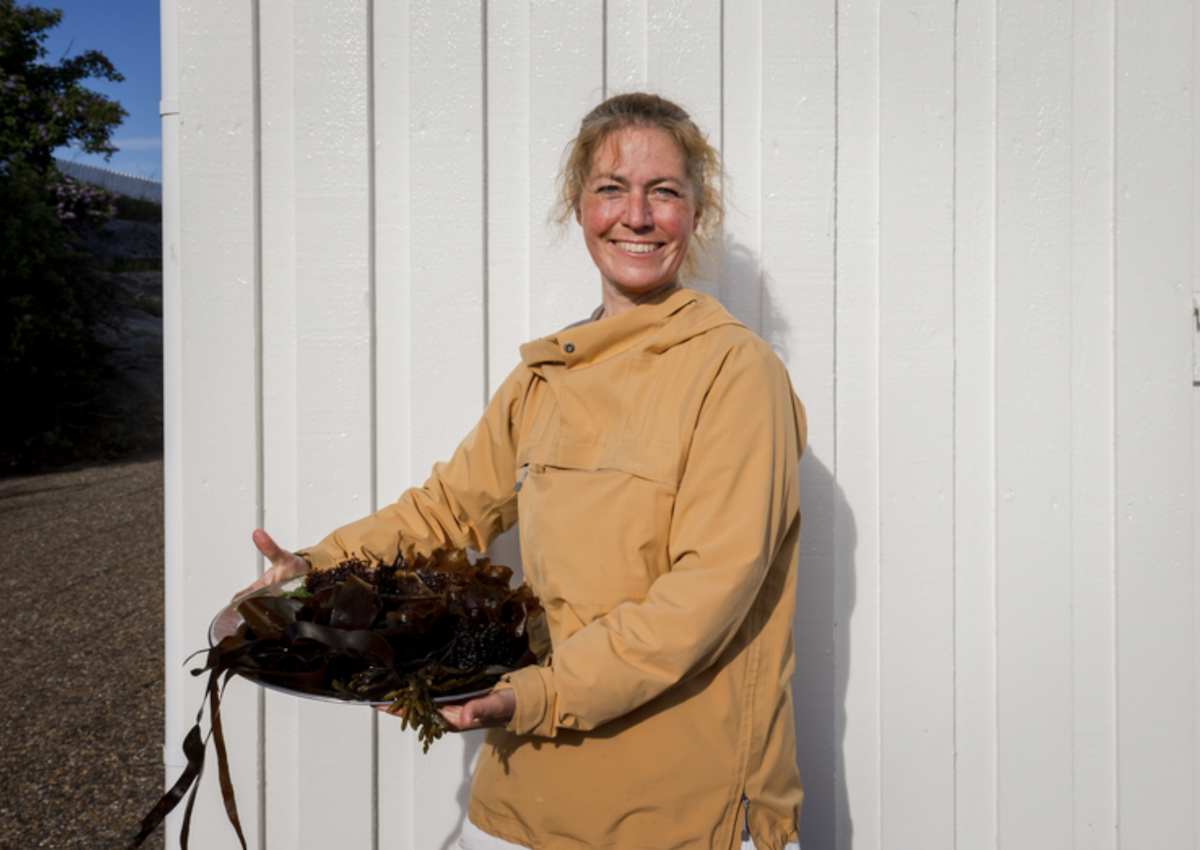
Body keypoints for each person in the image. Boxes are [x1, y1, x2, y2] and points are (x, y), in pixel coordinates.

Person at [243, 92, 807, 850]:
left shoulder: (735, 373)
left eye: (664, 191)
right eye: (611, 188)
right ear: (578, 208)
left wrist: (531, 695)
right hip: (523, 801)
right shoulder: (548, 375)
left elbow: (705, 596)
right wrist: (313, 564)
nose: (635, 215)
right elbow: (447, 510)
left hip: (680, 811)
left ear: (696, 213)